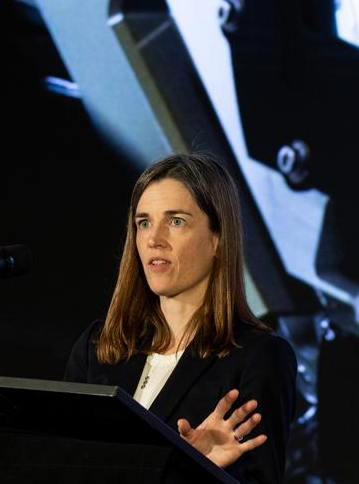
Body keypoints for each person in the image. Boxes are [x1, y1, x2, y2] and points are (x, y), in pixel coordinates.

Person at [65, 151, 296, 482]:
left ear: (218, 238)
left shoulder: (259, 358)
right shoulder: (97, 348)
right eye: (144, 222)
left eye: (176, 221)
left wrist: (195, 470)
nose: (154, 240)